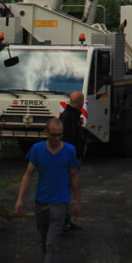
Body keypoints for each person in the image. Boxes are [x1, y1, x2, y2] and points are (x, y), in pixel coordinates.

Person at [15, 117, 81, 263]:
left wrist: (78, 201)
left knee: (52, 242)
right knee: (44, 240)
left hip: (60, 202)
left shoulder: (70, 151)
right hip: (41, 201)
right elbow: (28, 174)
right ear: (46, 132)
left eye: (60, 135)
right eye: (53, 135)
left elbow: (74, 175)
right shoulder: (37, 149)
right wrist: (20, 198)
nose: (57, 138)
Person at [60, 91, 85, 232]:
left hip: (72, 160)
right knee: (65, 192)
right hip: (69, 163)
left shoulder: (71, 116)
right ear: (80, 102)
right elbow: (67, 141)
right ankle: (63, 223)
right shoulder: (68, 118)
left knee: (68, 192)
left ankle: (66, 221)